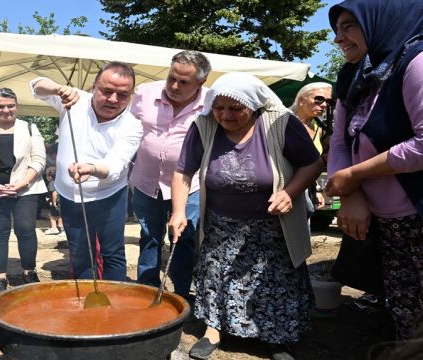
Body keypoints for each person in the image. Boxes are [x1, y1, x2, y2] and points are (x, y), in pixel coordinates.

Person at [169, 72, 323, 360]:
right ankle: (213, 330)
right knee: (216, 276)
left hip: (273, 225)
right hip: (221, 223)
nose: (225, 115)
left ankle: (276, 338)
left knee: (273, 282)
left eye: (235, 109)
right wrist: (178, 211)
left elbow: (312, 164)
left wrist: (289, 192)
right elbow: (183, 170)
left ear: (252, 106)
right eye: (219, 108)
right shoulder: (203, 126)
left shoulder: (279, 123)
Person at [324, 0, 423, 340]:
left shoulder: (416, 64)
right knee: (405, 310)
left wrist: (353, 176)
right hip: (388, 223)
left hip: (416, 215)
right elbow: (338, 142)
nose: (339, 38)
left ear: (383, 21)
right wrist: (350, 194)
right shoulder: (355, 75)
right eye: (337, 29)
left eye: (349, 25)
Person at [30, 61, 143, 281]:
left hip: (109, 195)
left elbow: (115, 164)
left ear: (130, 96)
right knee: (80, 252)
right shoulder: (74, 100)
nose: (113, 100)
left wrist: (91, 169)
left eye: (122, 95)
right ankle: (84, 300)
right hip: (70, 195)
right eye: (107, 91)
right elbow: (36, 85)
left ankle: (114, 302)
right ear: (94, 86)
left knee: (112, 252)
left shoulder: (132, 125)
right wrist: (57, 88)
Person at [129, 50, 210, 299]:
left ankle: (182, 293)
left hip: (190, 184)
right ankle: (147, 290)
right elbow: (128, 129)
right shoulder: (145, 93)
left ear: (200, 82)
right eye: (171, 78)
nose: (174, 86)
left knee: (184, 238)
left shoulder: (210, 102)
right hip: (146, 181)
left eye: (183, 82)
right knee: (149, 237)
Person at [0, 87, 47, 294]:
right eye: (0, 106)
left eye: (10, 106)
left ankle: (29, 271)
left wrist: (22, 183)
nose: (6, 110)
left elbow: (39, 160)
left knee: (26, 230)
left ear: (16, 106)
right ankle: (0, 276)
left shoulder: (30, 127)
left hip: (25, 189)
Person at [290, 83, 333, 220]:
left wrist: (317, 190)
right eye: (319, 99)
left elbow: (310, 163)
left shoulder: (317, 129)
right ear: (301, 101)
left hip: (307, 191)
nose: (325, 105)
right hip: (284, 191)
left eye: (328, 101)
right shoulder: (284, 123)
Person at [44, 166, 64, 235]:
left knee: (52, 215)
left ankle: (54, 228)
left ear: (49, 177)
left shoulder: (52, 183)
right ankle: (61, 228)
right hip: (61, 201)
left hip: (56, 202)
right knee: (60, 214)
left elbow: (54, 192)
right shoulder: (59, 182)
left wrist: (54, 202)